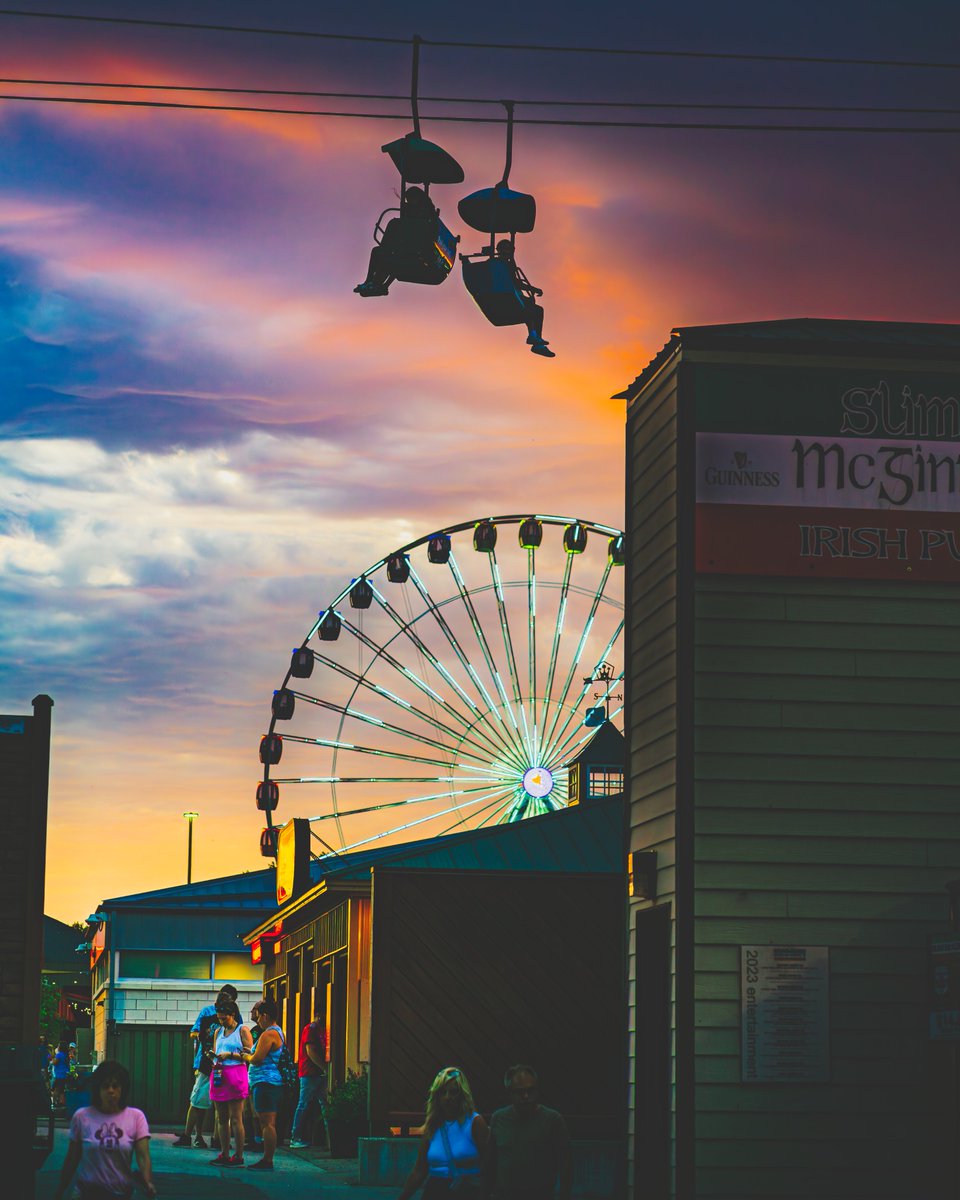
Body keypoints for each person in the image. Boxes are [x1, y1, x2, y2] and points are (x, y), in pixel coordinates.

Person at [52, 1059, 155, 1200]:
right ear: (98, 1089)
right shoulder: (82, 1117)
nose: (111, 1090)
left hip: (121, 1194)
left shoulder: (136, 1117)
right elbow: (72, 1158)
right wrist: (60, 1191)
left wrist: (147, 1182)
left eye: (115, 1086)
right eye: (106, 1086)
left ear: (123, 1089)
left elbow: (143, 1156)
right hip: (87, 1194)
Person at [397, 1066, 488, 1199]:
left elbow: (489, 1164)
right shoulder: (432, 1125)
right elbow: (419, 1170)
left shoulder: (475, 1123)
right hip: (435, 1191)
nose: (447, 1097)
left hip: (465, 1192)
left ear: (462, 1095)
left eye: (453, 1092)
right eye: (443, 1092)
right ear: (437, 1096)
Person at [485, 1064, 571, 1200]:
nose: (526, 1096)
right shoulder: (499, 1118)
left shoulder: (553, 1120)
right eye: (520, 1092)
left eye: (530, 1091)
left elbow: (566, 1163)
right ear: (509, 1093)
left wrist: (564, 1195)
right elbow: (491, 1160)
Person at [172, 984, 237, 1148]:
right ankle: (195, 1136)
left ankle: (216, 1138)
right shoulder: (208, 1016)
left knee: (218, 1104)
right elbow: (196, 1033)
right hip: (208, 1064)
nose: (222, 1017)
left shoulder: (234, 1020)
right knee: (199, 1100)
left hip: (223, 1066)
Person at [355, 186, 441, 297]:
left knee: (390, 257)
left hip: (414, 251)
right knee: (380, 253)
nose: (409, 203)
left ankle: (377, 284)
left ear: (418, 198)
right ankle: (371, 282)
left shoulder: (424, 219)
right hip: (406, 248)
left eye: (410, 200)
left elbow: (420, 236)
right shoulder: (417, 217)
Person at [239, 997, 286, 1170]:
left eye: (259, 1016)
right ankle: (267, 1158)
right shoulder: (278, 1031)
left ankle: (267, 1159)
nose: (258, 1020)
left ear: (265, 1016)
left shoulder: (268, 1034)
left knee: (267, 1123)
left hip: (265, 1082)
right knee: (267, 1122)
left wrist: (246, 1056)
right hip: (269, 1082)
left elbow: (257, 1059)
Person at [209, 996, 253, 1166]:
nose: (222, 1021)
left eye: (224, 1018)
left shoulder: (242, 1030)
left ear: (233, 1014)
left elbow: (249, 1054)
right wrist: (213, 1056)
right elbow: (216, 1050)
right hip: (219, 1072)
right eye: (219, 1018)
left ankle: (239, 1155)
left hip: (235, 1073)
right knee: (221, 1118)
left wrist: (230, 1055)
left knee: (236, 1117)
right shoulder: (218, 1032)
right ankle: (224, 1153)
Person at [494, 240, 555, 358]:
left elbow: (515, 282)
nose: (508, 251)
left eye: (510, 249)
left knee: (537, 309)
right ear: (499, 250)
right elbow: (515, 283)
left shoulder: (505, 264)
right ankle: (533, 336)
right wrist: (533, 289)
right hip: (505, 298)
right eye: (506, 249)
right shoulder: (500, 264)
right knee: (527, 305)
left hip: (509, 296)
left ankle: (536, 340)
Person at [289, 1006, 328, 1149]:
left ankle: (300, 1136)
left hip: (315, 1072)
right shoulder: (311, 1029)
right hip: (310, 1072)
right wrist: (324, 1067)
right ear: (319, 1014)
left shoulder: (319, 1029)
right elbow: (310, 1051)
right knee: (305, 1104)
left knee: (313, 1104)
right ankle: (296, 1137)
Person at [51, 1037, 71, 1107]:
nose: (57, 1047)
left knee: (56, 1090)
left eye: (58, 1046)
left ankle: (54, 1103)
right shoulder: (65, 1054)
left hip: (59, 1075)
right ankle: (62, 1103)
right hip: (64, 1074)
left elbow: (54, 1062)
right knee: (61, 1090)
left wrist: (51, 1057)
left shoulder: (59, 1054)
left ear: (60, 1047)